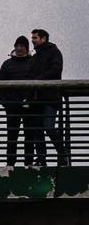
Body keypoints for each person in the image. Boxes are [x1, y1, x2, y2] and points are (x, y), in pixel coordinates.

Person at [29, 28, 68, 166]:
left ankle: (62, 154)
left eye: (35, 38)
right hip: (37, 98)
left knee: (48, 127)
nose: (32, 40)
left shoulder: (54, 52)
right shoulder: (35, 57)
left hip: (51, 97)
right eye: (32, 38)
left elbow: (56, 70)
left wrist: (39, 79)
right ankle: (41, 159)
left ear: (44, 38)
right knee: (38, 130)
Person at [0, 36, 36, 166]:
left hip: (30, 106)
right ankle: (10, 164)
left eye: (21, 46)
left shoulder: (34, 62)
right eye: (16, 46)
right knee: (12, 137)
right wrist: (5, 104)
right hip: (12, 106)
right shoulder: (7, 64)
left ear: (26, 48)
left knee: (29, 137)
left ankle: (28, 164)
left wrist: (32, 101)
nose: (18, 48)